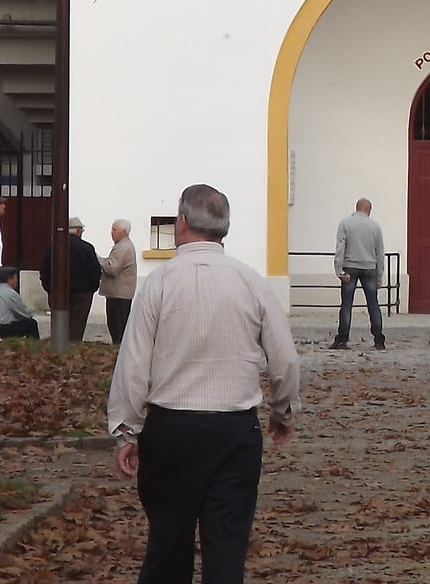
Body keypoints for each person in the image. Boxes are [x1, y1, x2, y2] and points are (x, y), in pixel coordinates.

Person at [108, 184, 299, 584]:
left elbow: (134, 362)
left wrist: (126, 429)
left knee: (167, 544)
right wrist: (283, 412)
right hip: (234, 429)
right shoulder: (251, 281)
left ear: (182, 222)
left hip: (171, 428)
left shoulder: (159, 282)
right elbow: (284, 358)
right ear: (224, 227)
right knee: (226, 547)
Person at [331, 197, 386, 350]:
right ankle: (379, 339)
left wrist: (338, 269)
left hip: (350, 266)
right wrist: (379, 276)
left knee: (346, 304)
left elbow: (340, 247)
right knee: (373, 304)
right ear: (368, 209)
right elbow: (380, 252)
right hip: (369, 267)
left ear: (357, 208)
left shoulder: (345, 223)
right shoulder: (375, 226)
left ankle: (342, 339)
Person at [41, 216, 104, 341]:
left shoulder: (54, 246)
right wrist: (91, 289)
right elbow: (95, 271)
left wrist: (49, 288)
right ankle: (73, 346)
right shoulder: (87, 248)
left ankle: (59, 346)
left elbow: (45, 268)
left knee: (59, 324)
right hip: (82, 293)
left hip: (58, 292)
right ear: (79, 231)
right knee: (77, 325)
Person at [101, 218, 138, 345]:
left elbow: (112, 269)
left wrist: (99, 261)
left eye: (114, 229)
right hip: (118, 292)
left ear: (123, 232)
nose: (111, 232)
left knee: (118, 327)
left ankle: (119, 350)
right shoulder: (123, 246)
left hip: (119, 293)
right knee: (117, 325)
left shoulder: (123, 247)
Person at [0, 266, 40, 339]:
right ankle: (33, 345)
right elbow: (25, 314)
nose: (17, 281)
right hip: (0, 329)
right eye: (15, 278)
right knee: (31, 323)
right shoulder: (9, 292)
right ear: (9, 279)